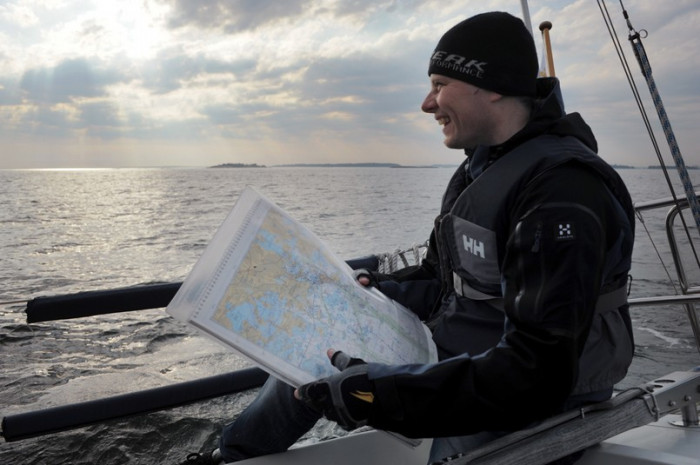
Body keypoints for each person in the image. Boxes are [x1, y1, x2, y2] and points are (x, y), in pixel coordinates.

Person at [182, 11, 635, 465]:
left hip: (533, 400)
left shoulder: (561, 191)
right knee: (312, 363)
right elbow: (443, 280)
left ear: (493, 86)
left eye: (440, 85)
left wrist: (379, 395)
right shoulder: (482, 167)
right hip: (462, 354)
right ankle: (230, 458)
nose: (426, 103)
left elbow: (538, 372)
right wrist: (378, 293)